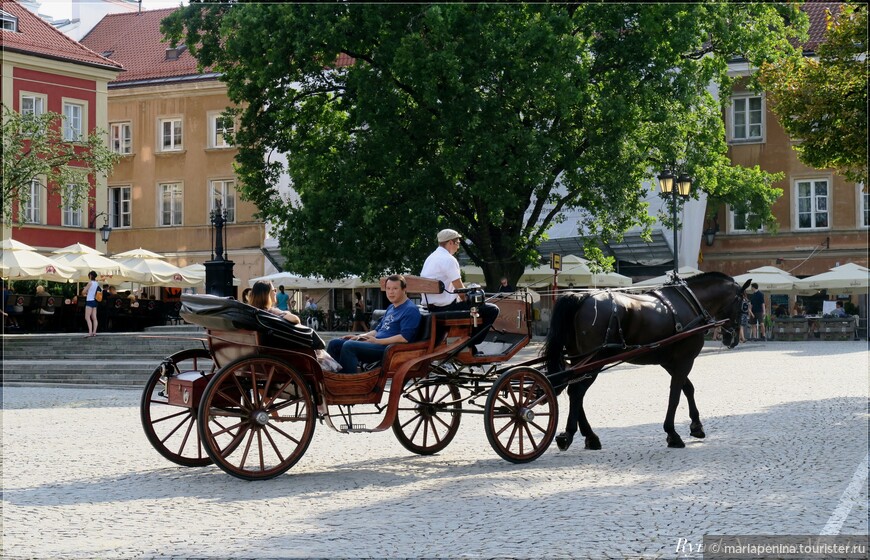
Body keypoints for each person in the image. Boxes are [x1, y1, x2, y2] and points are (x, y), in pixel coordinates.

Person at [419, 228, 498, 354]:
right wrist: (472, 301)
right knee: (492, 309)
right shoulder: (448, 259)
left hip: (431, 307)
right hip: (445, 308)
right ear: (450, 242)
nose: (458, 247)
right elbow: (460, 291)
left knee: (475, 306)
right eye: (458, 243)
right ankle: (470, 343)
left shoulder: (431, 258)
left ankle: (466, 342)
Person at [326, 275, 421, 373]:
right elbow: (377, 330)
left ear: (404, 289)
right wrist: (359, 336)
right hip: (376, 344)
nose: (390, 292)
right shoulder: (391, 307)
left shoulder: (410, 309)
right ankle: (332, 379)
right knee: (335, 343)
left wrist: (377, 341)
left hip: (388, 349)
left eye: (395, 288)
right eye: (388, 288)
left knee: (349, 346)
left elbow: (404, 338)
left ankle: (347, 383)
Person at [82, 270, 101, 337]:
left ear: (90, 276)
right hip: (95, 301)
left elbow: (83, 292)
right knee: (94, 317)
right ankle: (94, 332)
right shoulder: (97, 283)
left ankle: (90, 332)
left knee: (87, 317)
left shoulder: (90, 283)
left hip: (89, 300)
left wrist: (86, 290)